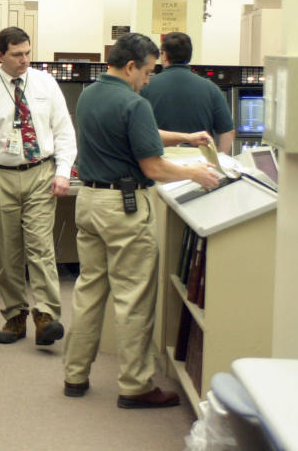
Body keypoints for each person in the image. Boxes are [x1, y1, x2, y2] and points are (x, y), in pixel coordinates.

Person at [62, 33, 220, 408]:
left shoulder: (90, 95)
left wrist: (185, 137)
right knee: (133, 298)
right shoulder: (134, 103)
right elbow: (153, 165)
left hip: (88, 202)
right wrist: (194, 173)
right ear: (131, 66)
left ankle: (75, 375)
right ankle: (135, 386)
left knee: (89, 290)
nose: (149, 80)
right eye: (147, 72)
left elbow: (138, 136)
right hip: (124, 208)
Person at [0, 27, 76, 346]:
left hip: (41, 171)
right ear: (0, 55)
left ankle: (46, 316)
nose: (25, 59)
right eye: (17, 54)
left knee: (41, 246)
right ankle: (15, 316)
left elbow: (64, 131)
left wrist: (63, 170)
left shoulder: (45, 83)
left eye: (27, 52)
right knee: (7, 250)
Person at [141, 32, 236, 154]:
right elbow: (228, 131)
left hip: (159, 162)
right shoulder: (211, 88)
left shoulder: (146, 86)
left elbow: (139, 131)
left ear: (164, 55)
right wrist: (218, 163)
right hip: (199, 164)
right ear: (189, 56)